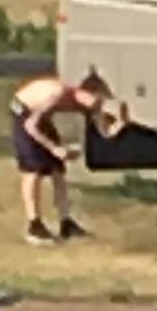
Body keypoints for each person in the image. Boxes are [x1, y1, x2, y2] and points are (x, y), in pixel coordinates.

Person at [10, 66, 123, 244]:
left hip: (40, 119)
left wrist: (120, 124)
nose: (97, 103)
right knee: (33, 169)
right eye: (96, 97)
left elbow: (106, 133)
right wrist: (55, 148)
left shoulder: (91, 104)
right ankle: (34, 226)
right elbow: (30, 125)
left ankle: (66, 223)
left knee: (57, 170)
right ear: (83, 92)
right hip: (25, 113)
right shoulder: (58, 94)